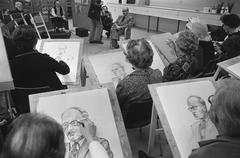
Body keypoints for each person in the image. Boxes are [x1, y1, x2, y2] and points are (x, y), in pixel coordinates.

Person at [10, 25, 70, 113]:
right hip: (51, 103)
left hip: (24, 107)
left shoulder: (11, 64)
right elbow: (65, 70)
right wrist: (61, 61)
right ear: (35, 41)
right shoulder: (45, 59)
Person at [1, 113, 110, 158]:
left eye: (74, 123)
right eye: (66, 125)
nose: (69, 129)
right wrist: (92, 140)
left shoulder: (104, 142)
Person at [189, 79, 240, 158]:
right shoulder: (194, 127)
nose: (193, 111)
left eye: (195, 107)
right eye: (191, 109)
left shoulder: (201, 155)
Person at [116, 39, 163, 119]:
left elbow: (116, 105)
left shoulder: (125, 84)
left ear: (130, 60)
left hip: (129, 121)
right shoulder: (158, 74)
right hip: (151, 117)